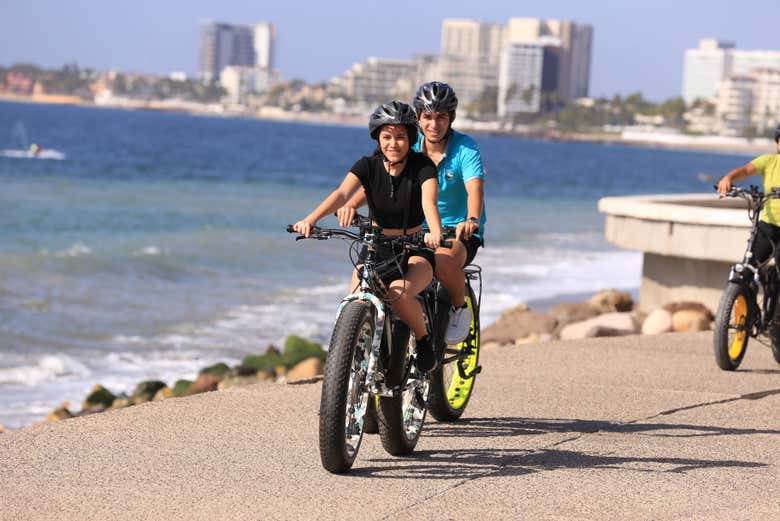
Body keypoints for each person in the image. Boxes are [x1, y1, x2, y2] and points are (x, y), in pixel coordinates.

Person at [292, 101, 444, 372]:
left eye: (400, 137)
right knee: (355, 299)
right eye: (387, 137)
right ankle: (354, 362)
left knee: (399, 294)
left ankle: (423, 341)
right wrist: (310, 220)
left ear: (411, 138)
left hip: (414, 249)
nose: (393, 143)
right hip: (376, 247)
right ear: (378, 137)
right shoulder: (368, 166)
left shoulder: (423, 166)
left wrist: (434, 232)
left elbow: (429, 203)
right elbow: (341, 194)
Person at [338, 81, 486, 345]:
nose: (434, 124)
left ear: (451, 117)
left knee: (441, 261)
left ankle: (458, 307)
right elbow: (382, 182)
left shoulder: (465, 148)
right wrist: (352, 205)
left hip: (456, 230)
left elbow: (475, 189)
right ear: (418, 117)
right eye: (427, 117)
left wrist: (471, 219)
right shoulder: (408, 142)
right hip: (414, 228)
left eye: (441, 117)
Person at [717, 123, 780, 268]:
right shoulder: (768, 161)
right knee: (749, 266)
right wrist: (728, 178)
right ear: (777, 144)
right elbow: (745, 170)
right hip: (767, 226)